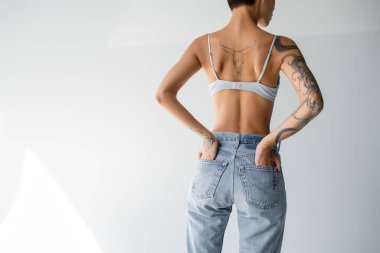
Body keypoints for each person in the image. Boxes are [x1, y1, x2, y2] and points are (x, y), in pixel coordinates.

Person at [155, 0, 324, 252]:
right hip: (259, 163)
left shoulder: (204, 44)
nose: (275, 5)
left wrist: (208, 138)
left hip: (213, 163)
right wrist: (268, 142)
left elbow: (163, 94)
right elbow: (313, 102)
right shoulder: (280, 46)